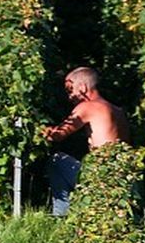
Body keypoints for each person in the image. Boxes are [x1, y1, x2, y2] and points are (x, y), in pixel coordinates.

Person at [39, 66, 129, 217]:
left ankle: (61, 214)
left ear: (82, 87)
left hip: (101, 175)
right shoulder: (117, 110)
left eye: (70, 90)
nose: (69, 97)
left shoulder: (88, 106)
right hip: (122, 175)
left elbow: (58, 135)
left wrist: (38, 130)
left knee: (57, 160)